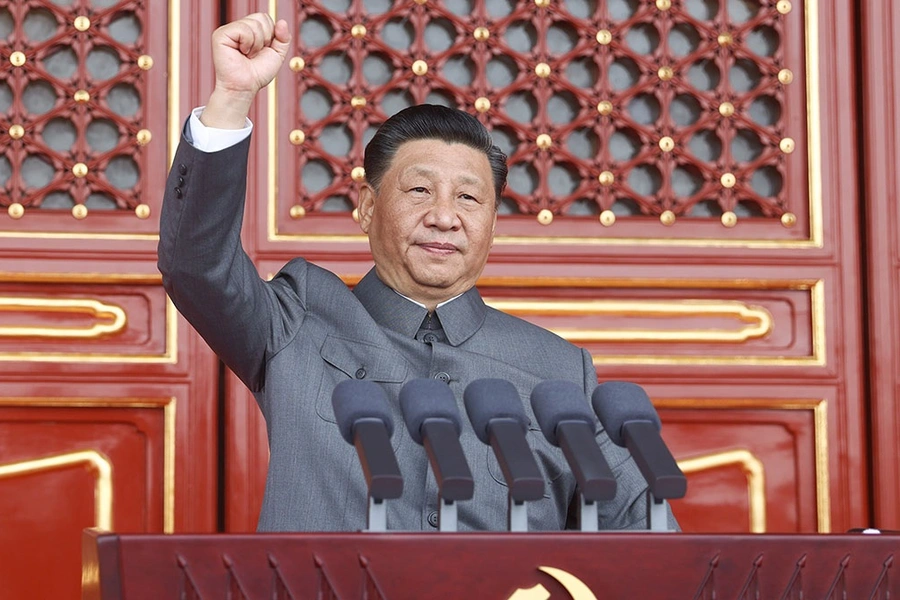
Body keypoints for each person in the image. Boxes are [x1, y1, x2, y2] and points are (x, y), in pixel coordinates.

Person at [158, 13, 677, 532]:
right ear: (366, 208)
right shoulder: (297, 323)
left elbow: (644, 536)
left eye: (469, 198)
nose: (445, 216)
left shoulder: (558, 373)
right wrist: (231, 96)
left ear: (492, 226)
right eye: (419, 190)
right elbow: (196, 265)